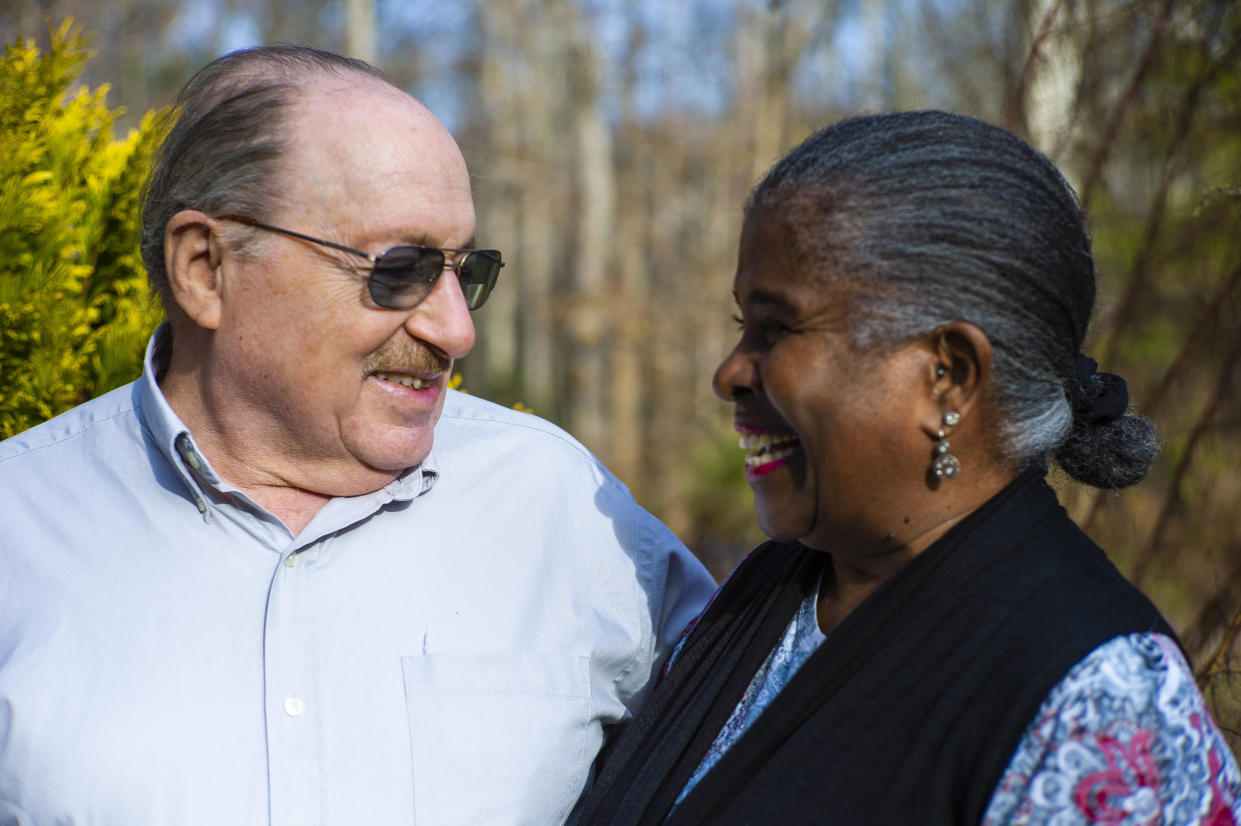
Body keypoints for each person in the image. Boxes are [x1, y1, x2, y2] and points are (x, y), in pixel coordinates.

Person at [0, 45, 715, 825]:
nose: (455, 329)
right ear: (205, 269)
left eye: (463, 271)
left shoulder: (564, 507)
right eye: (399, 268)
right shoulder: (18, 528)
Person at [576, 111, 1241, 824]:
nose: (729, 373)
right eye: (743, 327)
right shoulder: (772, 590)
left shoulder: (1098, 702)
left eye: (779, 328)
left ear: (946, 376)